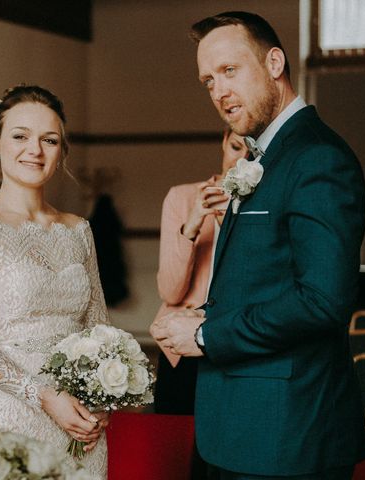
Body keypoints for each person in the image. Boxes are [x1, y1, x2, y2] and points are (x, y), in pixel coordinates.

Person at [151, 11, 365, 480]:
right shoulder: (263, 157)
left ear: (274, 62)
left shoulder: (317, 157)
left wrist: (205, 335)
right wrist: (202, 313)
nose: (219, 92)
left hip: (289, 434)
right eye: (208, 81)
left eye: (230, 71)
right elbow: (260, 279)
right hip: (243, 430)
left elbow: (322, 300)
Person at [0, 85, 109, 477]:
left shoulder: (78, 229)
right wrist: (41, 396)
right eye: (20, 136)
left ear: (61, 151)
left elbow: (99, 327)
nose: (34, 150)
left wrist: (104, 396)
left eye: (49, 140)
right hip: (10, 418)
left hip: (80, 428)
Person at [151, 128, 247, 478]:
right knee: (175, 460)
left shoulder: (264, 206)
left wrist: (233, 225)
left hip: (234, 344)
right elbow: (171, 293)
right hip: (181, 348)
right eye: (235, 147)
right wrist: (193, 223)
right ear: (223, 141)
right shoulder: (180, 197)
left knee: (223, 461)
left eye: (253, 153)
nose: (241, 160)